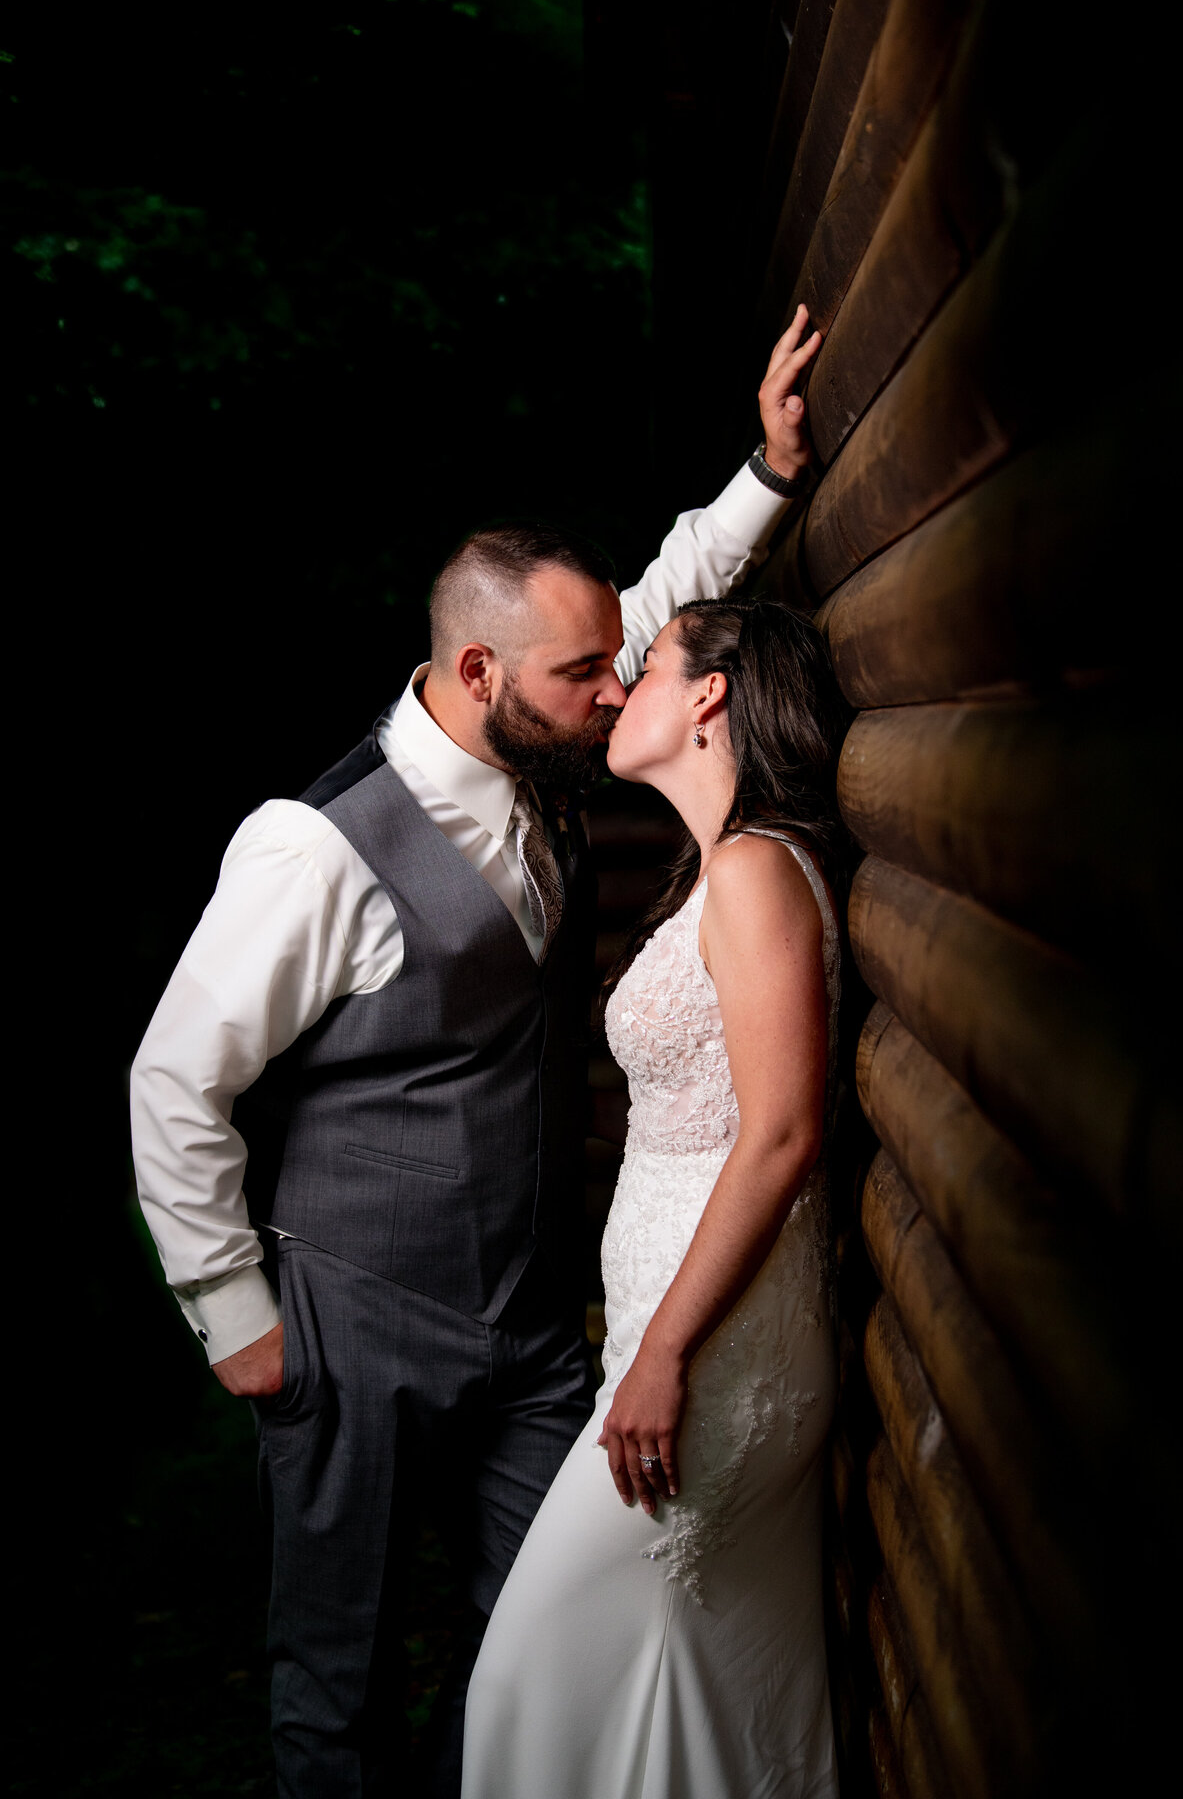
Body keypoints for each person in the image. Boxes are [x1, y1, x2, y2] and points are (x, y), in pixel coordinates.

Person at [129, 307, 824, 1798]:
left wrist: (765, 477)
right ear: (477, 668)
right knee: (340, 1670)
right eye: (587, 674)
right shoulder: (312, 849)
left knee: (540, 1642)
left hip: (524, 1330)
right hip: (349, 1320)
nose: (615, 686)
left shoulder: (549, 726)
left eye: (618, 668)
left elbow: (662, 613)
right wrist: (231, 1312)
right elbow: (175, 1082)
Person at [461, 584, 848, 1798]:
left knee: (525, 1675)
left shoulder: (753, 875)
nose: (619, 692)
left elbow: (782, 1135)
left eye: (645, 669)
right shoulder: (721, 867)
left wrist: (669, 1351)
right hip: (676, 1331)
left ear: (711, 696)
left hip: (715, 1349)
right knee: (690, 1680)